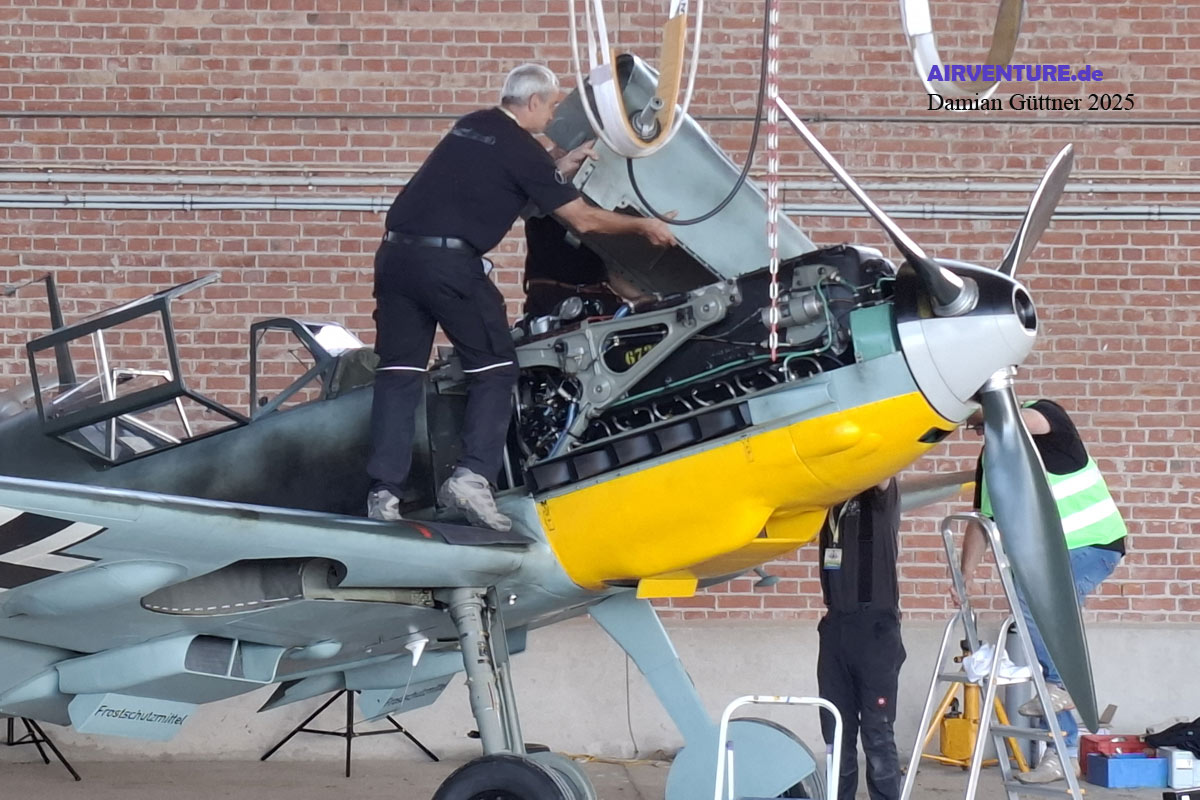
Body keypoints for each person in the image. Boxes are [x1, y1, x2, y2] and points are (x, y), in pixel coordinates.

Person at [366, 63, 676, 530]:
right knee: (495, 368)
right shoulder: (522, 149)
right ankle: (471, 477)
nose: (553, 116)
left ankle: (383, 492)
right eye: (552, 106)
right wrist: (644, 226)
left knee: (398, 376)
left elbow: (502, 179)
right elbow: (583, 220)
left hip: (395, 259)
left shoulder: (473, 125)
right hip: (449, 265)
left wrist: (556, 167)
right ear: (532, 102)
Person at [959, 398, 1127, 784]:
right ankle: (1062, 751)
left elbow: (1023, 420)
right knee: (1046, 632)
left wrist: (982, 399)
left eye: (983, 423)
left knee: (1034, 598)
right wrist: (964, 575)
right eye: (976, 430)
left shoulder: (1047, 418)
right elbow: (982, 520)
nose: (982, 433)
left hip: (1093, 545)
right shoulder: (992, 460)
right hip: (1050, 558)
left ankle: (1060, 691)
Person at [817, 478, 906, 800]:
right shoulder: (831, 499)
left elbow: (885, 466)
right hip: (835, 627)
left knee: (877, 731)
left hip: (875, 630)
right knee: (835, 729)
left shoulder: (881, 498)